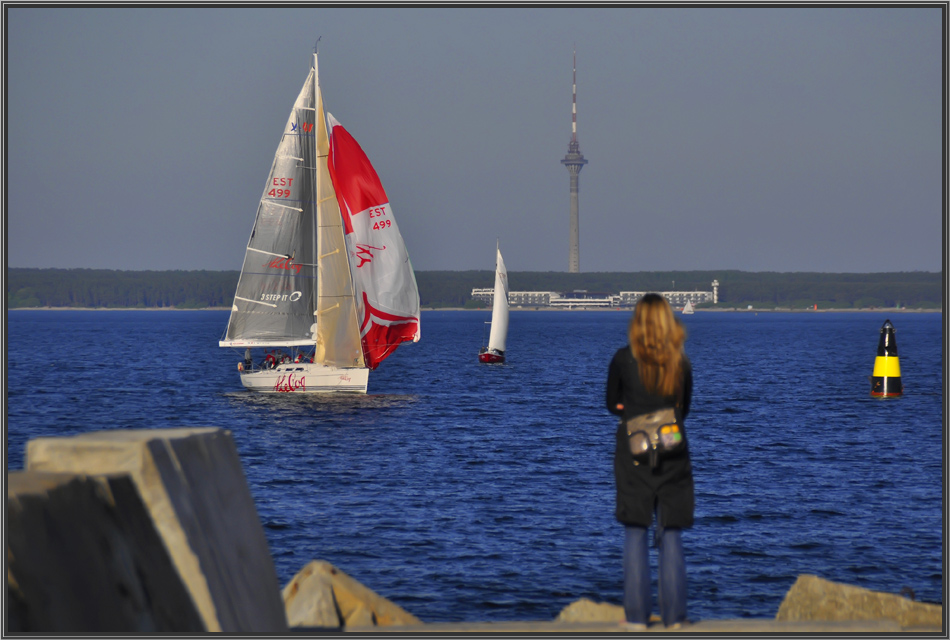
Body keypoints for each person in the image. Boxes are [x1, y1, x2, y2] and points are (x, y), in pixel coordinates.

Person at [606, 293, 694, 629]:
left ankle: (636, 620)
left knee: (635, 529)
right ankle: (675, 620)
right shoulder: (679, 362)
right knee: (671, 530)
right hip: (673, 449)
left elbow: (611, 403)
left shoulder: (623, 359)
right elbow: (683, 407)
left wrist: (632, 414)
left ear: (638, 323)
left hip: (633, 451)